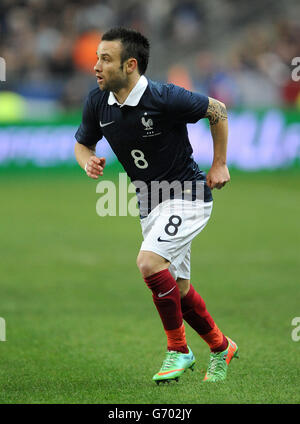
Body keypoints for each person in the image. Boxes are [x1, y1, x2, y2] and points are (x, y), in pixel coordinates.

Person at [74, 27, 238, 384]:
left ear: (130, 65)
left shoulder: (164, 97)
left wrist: (219, 163)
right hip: (150, 203)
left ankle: (178, 350)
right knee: (176, 289)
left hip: (187, 195)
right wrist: (87, 160)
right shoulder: (97, 102)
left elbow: (218, 110)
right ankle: (220, 345)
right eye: (97, 58)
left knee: (148, 263)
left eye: (105, 59)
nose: (96, 66)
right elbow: (83, 143)